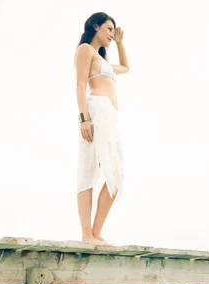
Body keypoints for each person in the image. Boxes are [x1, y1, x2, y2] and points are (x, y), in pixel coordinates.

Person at [74, 12, 130, 245]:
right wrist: (84, 118)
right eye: (108, 29)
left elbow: (126, 67)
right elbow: (79, 85)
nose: (111, 33)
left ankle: (96, 234)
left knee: (115, 175)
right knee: (89, 168)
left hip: (110, 116)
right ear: (95, 26)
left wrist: (119, 42)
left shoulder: (103, 59)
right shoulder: (85, 50)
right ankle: (87, 234)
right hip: (96, 110)